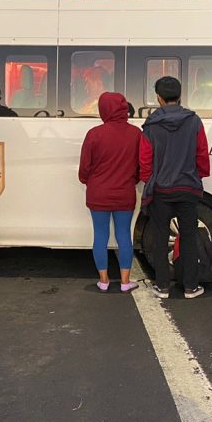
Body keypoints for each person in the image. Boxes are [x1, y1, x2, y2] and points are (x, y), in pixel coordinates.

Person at [140, 76, 210, 299]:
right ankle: (191, 287)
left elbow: (145, 159)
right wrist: (199, 174)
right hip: (188, 187)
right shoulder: (194, 121)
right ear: (180, 96)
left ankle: (162, 286)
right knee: (188, 236)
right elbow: (202, 153)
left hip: (161, 190)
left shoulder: (151, 125)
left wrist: (149, 179)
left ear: (158, 98)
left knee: (160, 238)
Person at [78, 92, 143, 292]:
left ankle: (103, 280)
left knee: (100, 235)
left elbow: (84, 169)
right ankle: (125, 281)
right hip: (125, 193)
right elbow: (141, 166)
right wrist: (131, 180)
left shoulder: (94, 134)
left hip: (98, 193)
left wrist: (90, 181)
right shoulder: (136, 133)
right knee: (124, 235)